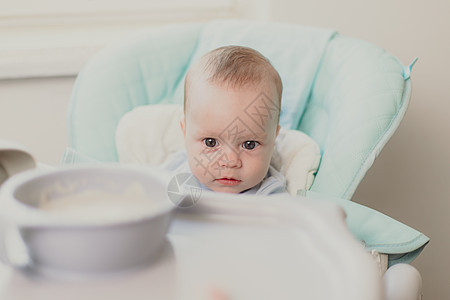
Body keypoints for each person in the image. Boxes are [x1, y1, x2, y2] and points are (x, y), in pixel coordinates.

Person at [162, 45, 286, 195]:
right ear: (185, 131)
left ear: (274, 139)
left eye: (249, 144)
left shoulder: (270, 195)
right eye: (211, 142)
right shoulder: (173, 171)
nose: (230, 161)